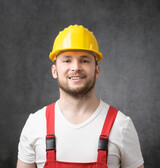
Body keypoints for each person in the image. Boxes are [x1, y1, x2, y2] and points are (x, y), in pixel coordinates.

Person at [16, 25, 144, 168]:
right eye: (67, 60)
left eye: (84, 60)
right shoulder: (35, 124)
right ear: (54, 71)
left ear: (97, 71)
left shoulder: (121, 125)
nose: (76, 67)